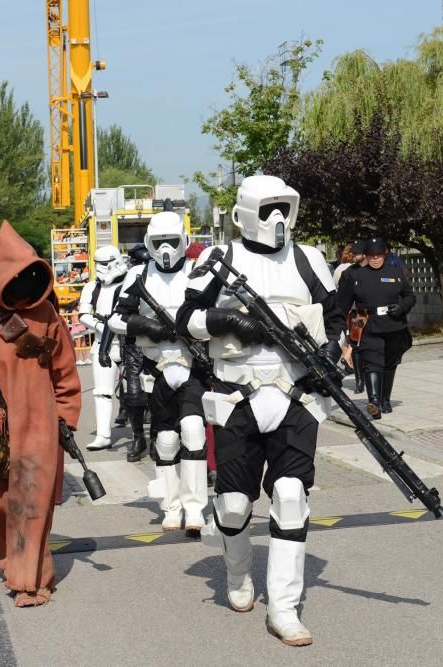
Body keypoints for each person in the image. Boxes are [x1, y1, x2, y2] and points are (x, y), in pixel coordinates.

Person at [177, 175, 345, 646]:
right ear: (244, 213)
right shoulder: (220, 259)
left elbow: (334, 319)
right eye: (267, 208)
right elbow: (184, 319)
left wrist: (329, 358)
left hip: (297, 397)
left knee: (291, 496)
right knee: (233, 505)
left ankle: (285, 608)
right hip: (237, 399)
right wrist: (228, 320)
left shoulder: (309, 259)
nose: (277, 219)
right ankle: (236, 574)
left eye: (283, 208)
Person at [0, 222, 81, 607]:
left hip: (41, 427)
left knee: (35, 505)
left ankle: (34, 580)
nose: (23, 283)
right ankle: (12, 560)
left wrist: (65, 419)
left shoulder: (48, 316)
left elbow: (65, 373)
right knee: (1, 504)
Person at [109, 211, 209, 537]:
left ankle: (195, 506)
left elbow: (218, 315)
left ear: (184, 241)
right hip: (157, 367)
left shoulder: (197, 273)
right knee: (166, 440)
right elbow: (115, 319)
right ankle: (171, 505)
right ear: (150, 244)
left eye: (172, 241)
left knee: (193, 430)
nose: (166, 249)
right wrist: (145, 326)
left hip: (193, 365)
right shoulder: (138, 275)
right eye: (159, 242)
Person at [337, 237, 416, 418]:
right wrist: (341, 329)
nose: (375, 259)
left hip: (394, 325)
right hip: (368, 325)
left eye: (378, 255)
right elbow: (342, 305)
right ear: (366, 255)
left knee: (389, 363)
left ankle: (385, 400)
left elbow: (410, 296)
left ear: (384, 254)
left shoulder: (395, 272)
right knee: (372, 362)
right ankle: (373, 402)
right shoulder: (355, 275)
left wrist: (402, 307)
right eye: (371, 255)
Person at [79, 245, 127, 451]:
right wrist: (101, 325)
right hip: (103, 343)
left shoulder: (130, 283)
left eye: (105, 265)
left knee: (138, 392)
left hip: (129, 343)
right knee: (102, 392)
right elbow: (83, 313)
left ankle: (143, 434)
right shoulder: (92, 287)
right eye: (98, 265)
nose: (101, 269)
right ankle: (103, 434)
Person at [115, 244, 152, 462]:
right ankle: (139, 437)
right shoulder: (129, 279)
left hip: (158, 344)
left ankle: (157, 438)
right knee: (134, 395)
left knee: (159, 397)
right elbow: (116, 316)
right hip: (133, 345)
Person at [335, 240, 367, 393]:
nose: (353, 256)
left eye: (357, 253)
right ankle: (360, 380)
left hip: (380, 316)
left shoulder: (380, 270)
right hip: (359, 315)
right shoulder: (349, 273)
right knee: (357, 347)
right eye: (352, 253)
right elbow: (343, 299)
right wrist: (339, 318)